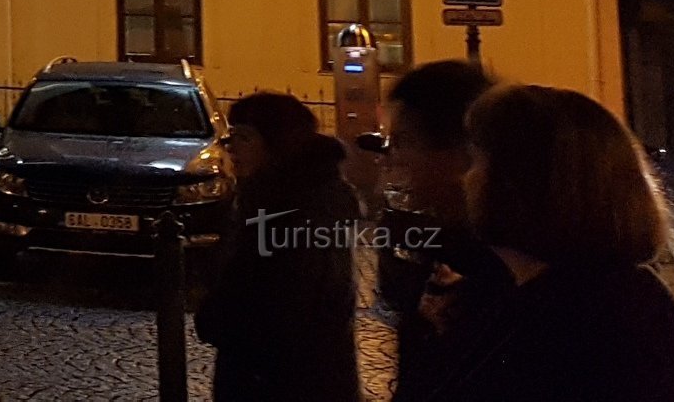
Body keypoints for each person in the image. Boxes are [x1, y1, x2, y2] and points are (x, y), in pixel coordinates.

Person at [421, 84, 674, 399]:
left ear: (521, 183)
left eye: (476, 161)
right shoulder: (547, 297)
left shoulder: (585, 324)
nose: (464, 179)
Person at [195, 91, 361, 402]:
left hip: (282, 383)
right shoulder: (271, 197)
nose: (230, 148)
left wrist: (217, 317)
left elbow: (281, 309)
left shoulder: (290, 208)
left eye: (244, 137)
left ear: (276, 143)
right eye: (230, 136)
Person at [371, 60, 513, 402]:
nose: (392, 159)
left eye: (404, 141)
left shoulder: (505, 268)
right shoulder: (443, 249)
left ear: (459, 151)